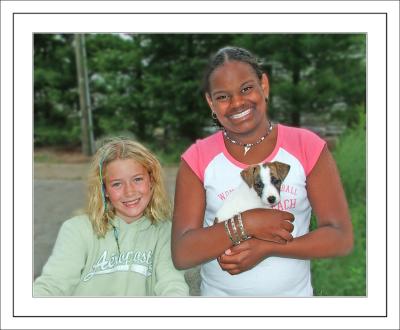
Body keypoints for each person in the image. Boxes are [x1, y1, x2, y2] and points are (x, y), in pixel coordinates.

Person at [171, 46, 353, 296]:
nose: (237, 103)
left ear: (264, 85)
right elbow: (183, 253)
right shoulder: (198, 158)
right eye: (223, 97)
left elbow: (340, 237)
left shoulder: (306, 147)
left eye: (246, 88)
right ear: (210, 102)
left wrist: (268, 248)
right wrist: (247, 223)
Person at [34, 137, 189, 296]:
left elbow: (172, 284)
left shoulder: (166, 232)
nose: (129, 191)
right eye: (117, 184)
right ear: (104, 190)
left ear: (151, 180)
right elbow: (53, 284)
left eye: (137, 179)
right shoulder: (77, 230)